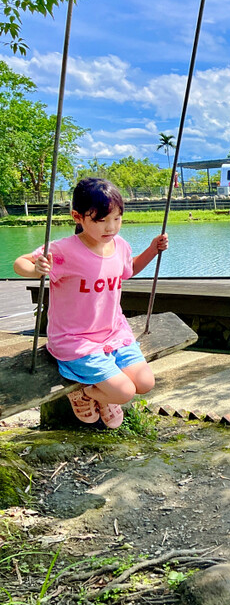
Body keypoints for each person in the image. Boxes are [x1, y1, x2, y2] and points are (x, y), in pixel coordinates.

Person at [13, 178, 168, 428]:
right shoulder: (64, 251)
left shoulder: (120, 245)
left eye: (117, 218)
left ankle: (102, 392)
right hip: (75, 339)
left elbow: (128, 269)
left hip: (113, 332)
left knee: (145, 383)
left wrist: (152, 249)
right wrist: (36, 269)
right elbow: (20, 262)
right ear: (78, 217)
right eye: (101, 220)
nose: (111, 227)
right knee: (125, 392)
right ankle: (85, 393)